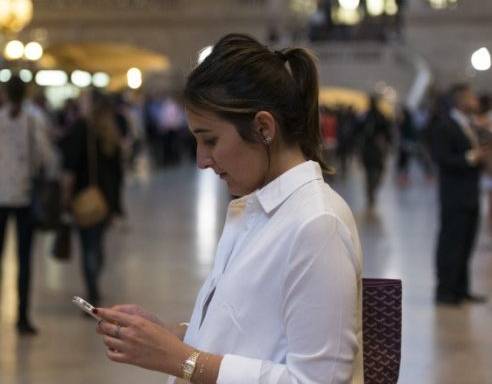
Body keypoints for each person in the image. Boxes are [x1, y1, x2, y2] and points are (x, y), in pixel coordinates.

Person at [93, 33, 364, 384]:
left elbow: (318, 381)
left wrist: (183, 360)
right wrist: (167, 336)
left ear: (263, 128)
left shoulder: (317, 223)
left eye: (210, 140)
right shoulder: (258, 208)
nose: (202, 160)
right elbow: (252, 332)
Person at [0, 76, 57, 334]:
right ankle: (22, 316)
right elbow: (45, 157)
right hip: (25, 196)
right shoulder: (34, 121)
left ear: (4, 94)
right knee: (24, 259)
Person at [61, 90, 124, 307]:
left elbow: (71, 164)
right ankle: (95, 279)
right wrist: (116, 205)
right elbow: (118, 172)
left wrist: (66, 193)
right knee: (97, 244)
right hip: (106, 199)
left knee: (87, 244)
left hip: (84, 195)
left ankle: (92, 289)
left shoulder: (82, 128)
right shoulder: (112, 130)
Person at [430, 84, 488, 306]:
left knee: (466, 242)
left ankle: (461, 288)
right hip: (454, 194)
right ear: (461, 100)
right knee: (451, 243)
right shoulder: (445, 126)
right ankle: (445, 290)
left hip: (470, 192)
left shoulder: (470, 125)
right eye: (472, 97)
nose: (476, 102)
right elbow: (442, 159)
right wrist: (472, 157)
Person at [356, 95, 392, 209]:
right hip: (372, 147)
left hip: (372, 147)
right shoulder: (377, 116)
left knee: (372, 170)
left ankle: (371, 188)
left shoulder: (368, 116)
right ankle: (371, 189)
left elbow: (357, 131)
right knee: (375, 169)